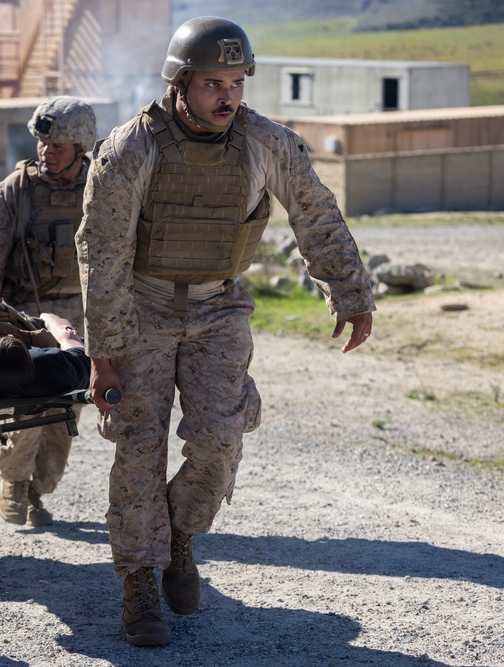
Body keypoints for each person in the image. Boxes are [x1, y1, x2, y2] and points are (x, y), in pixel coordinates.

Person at [75, 17, 376, 647]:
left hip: (220, 309)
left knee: (218, 439)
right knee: (138, 449)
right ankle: (138, 582)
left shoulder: (265, 142)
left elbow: (315, 212)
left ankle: (181, 537)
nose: (228, 96)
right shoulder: (133, 148)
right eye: (214, 82)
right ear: (181, 83)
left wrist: (349, 291)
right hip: (142, 311)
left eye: (237, 83)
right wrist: (104, 355)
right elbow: (100, 253)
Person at [0, 96, 97, 527]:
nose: (47, 152)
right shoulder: (14, 191)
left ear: (81, 147)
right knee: (26, 409)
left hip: (79, 323)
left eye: (58, 145)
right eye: (42, 142)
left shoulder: (101, 189)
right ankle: (14, 481)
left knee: (64, 417)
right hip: (25, 319)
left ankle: (38, 490)